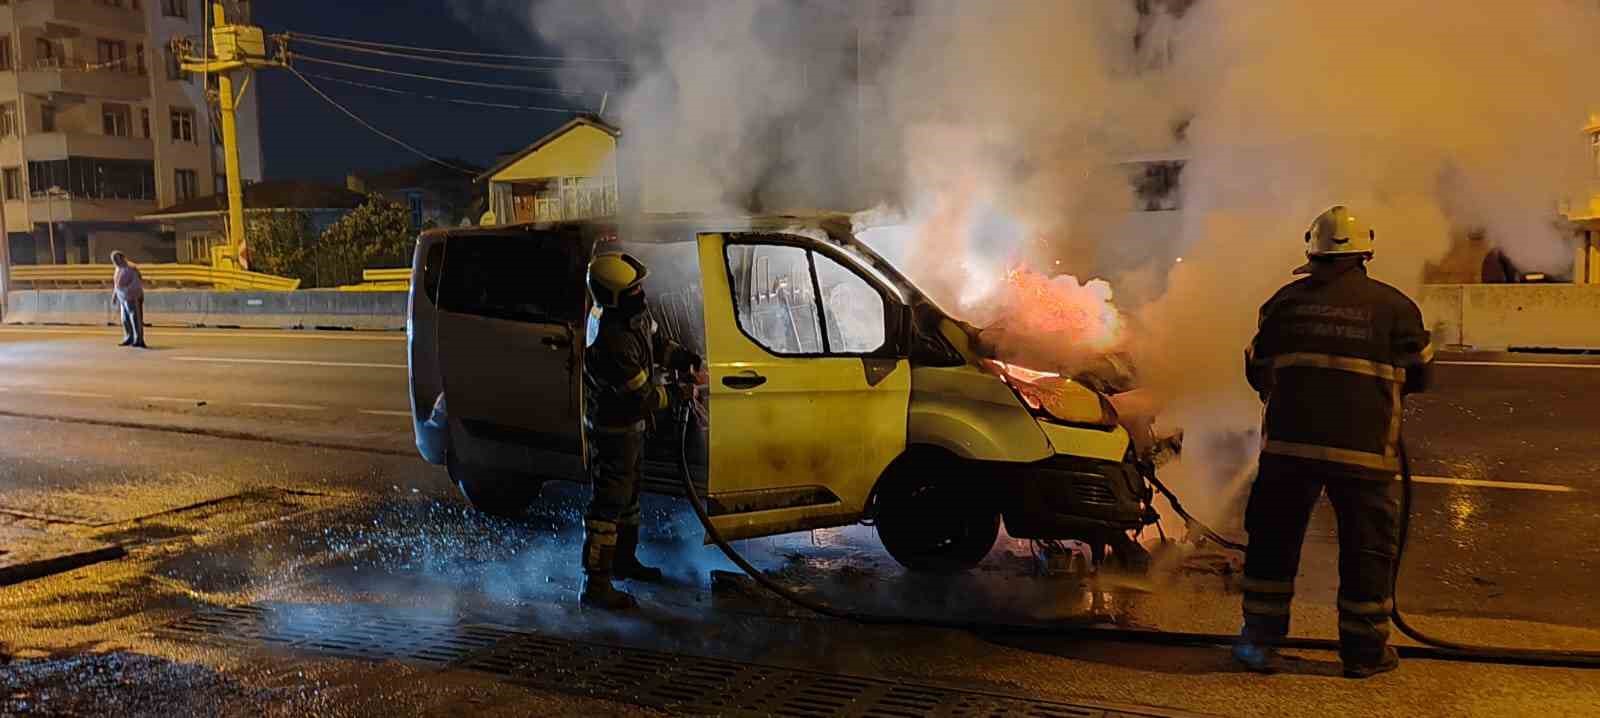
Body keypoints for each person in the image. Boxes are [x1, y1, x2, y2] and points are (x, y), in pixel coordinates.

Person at [1234, 205, 1434, 678]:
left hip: (1288, 451)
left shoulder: (1283, 303)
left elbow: (1257, 370)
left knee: (1272, 545)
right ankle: (1364, 653)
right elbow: (1421, 374)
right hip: (1364, 453)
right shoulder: (1396, 307)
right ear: (1365, 253)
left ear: (1313, 252)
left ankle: (1259, 645)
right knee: (1367, 552)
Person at [581, 252, 701, 610]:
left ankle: (623, 561)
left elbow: (657, 344)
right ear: (613, 295)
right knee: (609, 505)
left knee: (629, 498)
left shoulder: (632, 315)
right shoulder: (612, 339)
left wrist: (686, 359)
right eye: (633, 289)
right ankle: (595, 586)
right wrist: (680, 392)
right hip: (612, 431)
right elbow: (643, 398)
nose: (641, 292)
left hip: (631, 429)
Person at [110, 251, 146, 348]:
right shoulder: (118, 268)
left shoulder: (131, 268)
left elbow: (137, 283)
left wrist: (127, 291)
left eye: (116, 259)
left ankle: (138, 339)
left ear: (123, 258)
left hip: (133, 297)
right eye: (113, 260)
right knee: (125, 319)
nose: (115, 262)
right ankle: (129, 337)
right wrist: (115, 295)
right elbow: (116, 284)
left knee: (135, 319)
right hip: (123, 298)